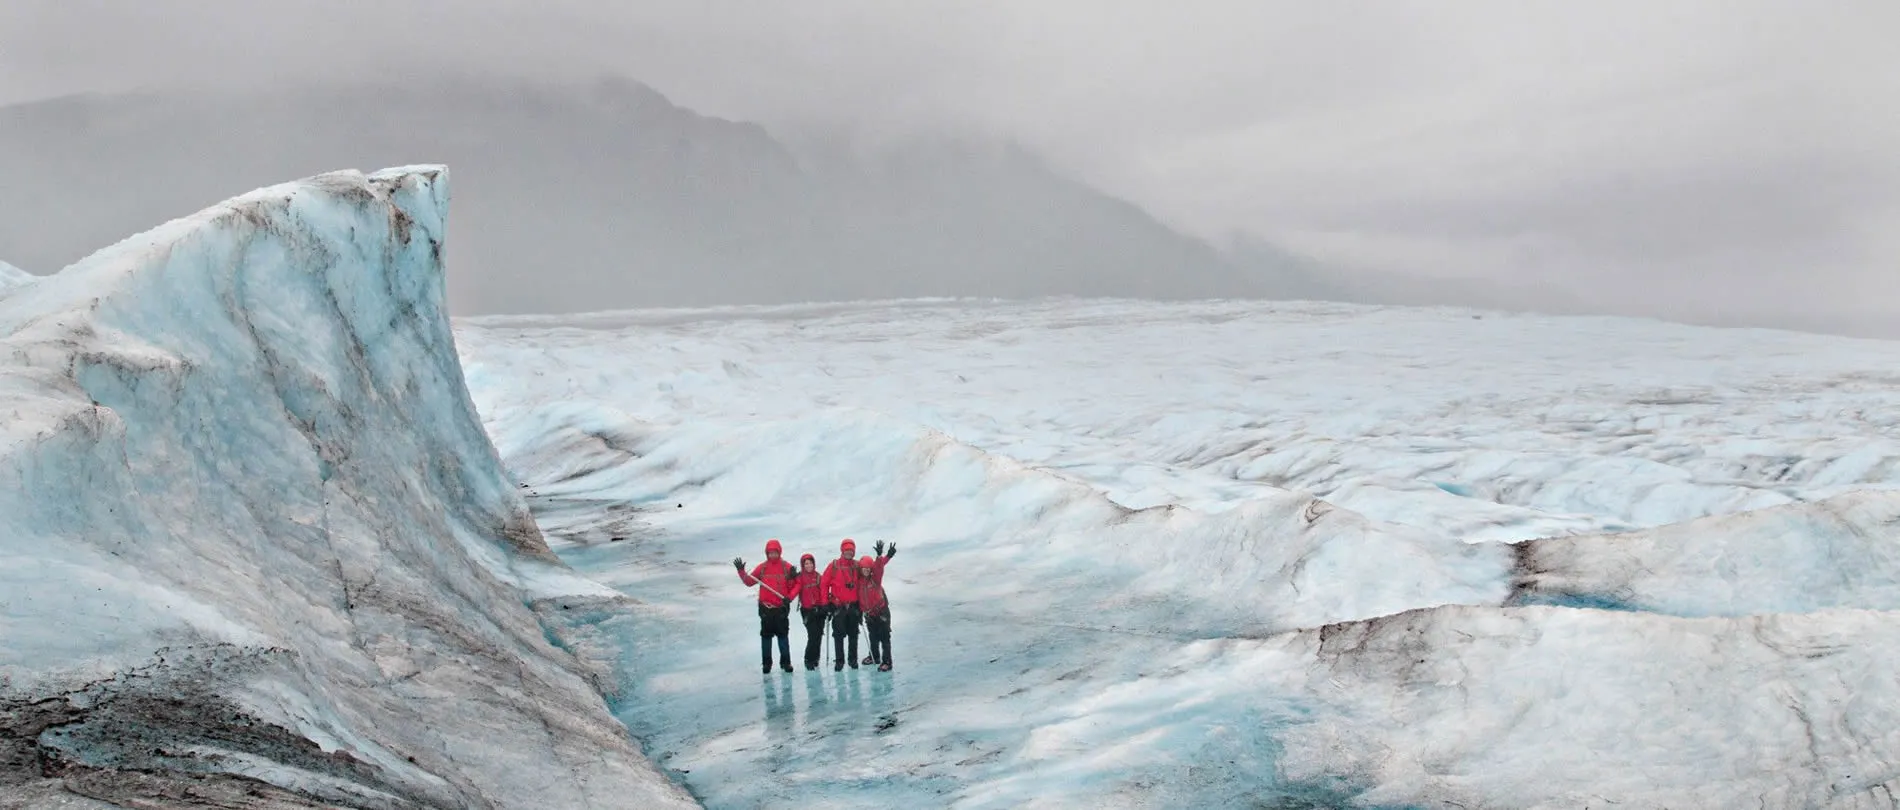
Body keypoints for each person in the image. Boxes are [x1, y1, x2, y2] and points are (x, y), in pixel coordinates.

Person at [734, 539, 797, 673]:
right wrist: (741, 571)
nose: (772, 555)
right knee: (766, 637)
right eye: (770, 553)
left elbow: (795, 585)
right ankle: (766, 664)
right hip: (766, 609)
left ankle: (786, 663)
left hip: (781, 609)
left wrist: (790, 596)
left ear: (779, 552)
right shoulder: (762, 568)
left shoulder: (787, 567)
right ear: (766, 553)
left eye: (775, 552)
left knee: (783, 636)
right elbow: (749, 582)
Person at [821, 539, 862, 671]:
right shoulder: (833, 565)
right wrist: (825, 603)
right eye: (847, 550)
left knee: (853, 634)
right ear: (842, 551)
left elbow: (868, 575)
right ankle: (839, 661)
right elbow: (823, 584)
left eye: (851, 551)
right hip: (838, 607)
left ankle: (853, 659)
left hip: (854, 606)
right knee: (838, 635)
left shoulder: (857, 566)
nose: (849, 553)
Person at [858, 541, 896, 671]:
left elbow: (879, 567)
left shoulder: (876, 579)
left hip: (881, 612)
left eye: (868, 569)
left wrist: (880, 556)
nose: (866, 571)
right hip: (869, 614)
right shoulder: (859, 582)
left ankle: (887, 662)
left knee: (885, 637)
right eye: (864, 569)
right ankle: (874, 656)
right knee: (873, 637)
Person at [789, 552, 829, 670]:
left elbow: (823, 592)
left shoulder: (818, 577)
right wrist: (789, 598)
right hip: (807, 611)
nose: (808, 565)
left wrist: (825, 606)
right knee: (813, 635)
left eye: (810, 563)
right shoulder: (799, 577)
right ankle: (808, 659)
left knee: (819, 635)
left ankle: (815, 658)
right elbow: (795, 589)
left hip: (819, 610)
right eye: (806, 564)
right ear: (803, 565)